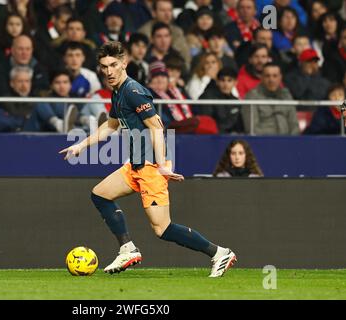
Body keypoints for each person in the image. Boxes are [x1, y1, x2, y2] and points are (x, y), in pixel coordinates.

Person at [59, 41, 237, 277]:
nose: (109, 71)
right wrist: (81, 145)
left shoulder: (133, 91)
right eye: (104, 67)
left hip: (151, 167)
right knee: (100, 195)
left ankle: (219, 253)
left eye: (114, 65)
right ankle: (127, 249)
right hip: (134, 165)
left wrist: (163, 165)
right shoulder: (118, 92)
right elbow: (111, 125)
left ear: (124, 63)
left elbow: (157, 127)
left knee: (162, 229)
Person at [243, 62, 299, 135]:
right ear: (261, 77)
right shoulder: (252, 97)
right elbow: (251, 129)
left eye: (275, 76)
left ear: (280, 77)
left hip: (287, 141)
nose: (271, 80)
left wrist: (292, 141)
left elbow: (294, 125)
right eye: (267, 76)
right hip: (263, 141)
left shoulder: (286, 95)